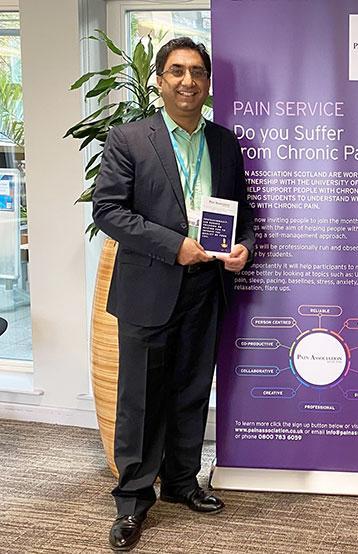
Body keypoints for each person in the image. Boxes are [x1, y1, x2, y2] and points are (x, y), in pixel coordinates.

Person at [93, 37, 255, 551]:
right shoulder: (128, 140)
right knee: (139, 398)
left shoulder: (225, 144)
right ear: (160, 80)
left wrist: (243, 248)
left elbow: (244, 215)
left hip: (207, 286)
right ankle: (134, 501)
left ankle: (183, 483)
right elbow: (109, 211)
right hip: (149, 286)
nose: (188, 81)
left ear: (208, 83)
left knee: (190, 390)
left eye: (198, 72)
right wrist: (174, 246)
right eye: (177, 71)